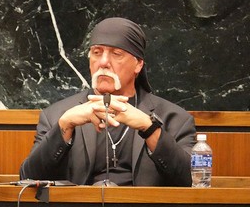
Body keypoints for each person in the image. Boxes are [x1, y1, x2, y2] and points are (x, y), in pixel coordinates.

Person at [20, 17, 197, 186]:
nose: (103, 62)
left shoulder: (175, 119)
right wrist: (65, 126)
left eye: (116, 54)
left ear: (138, 65)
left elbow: (193, 181)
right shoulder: (57, 116)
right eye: (97, 52)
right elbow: (27, 178)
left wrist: (149, 128)